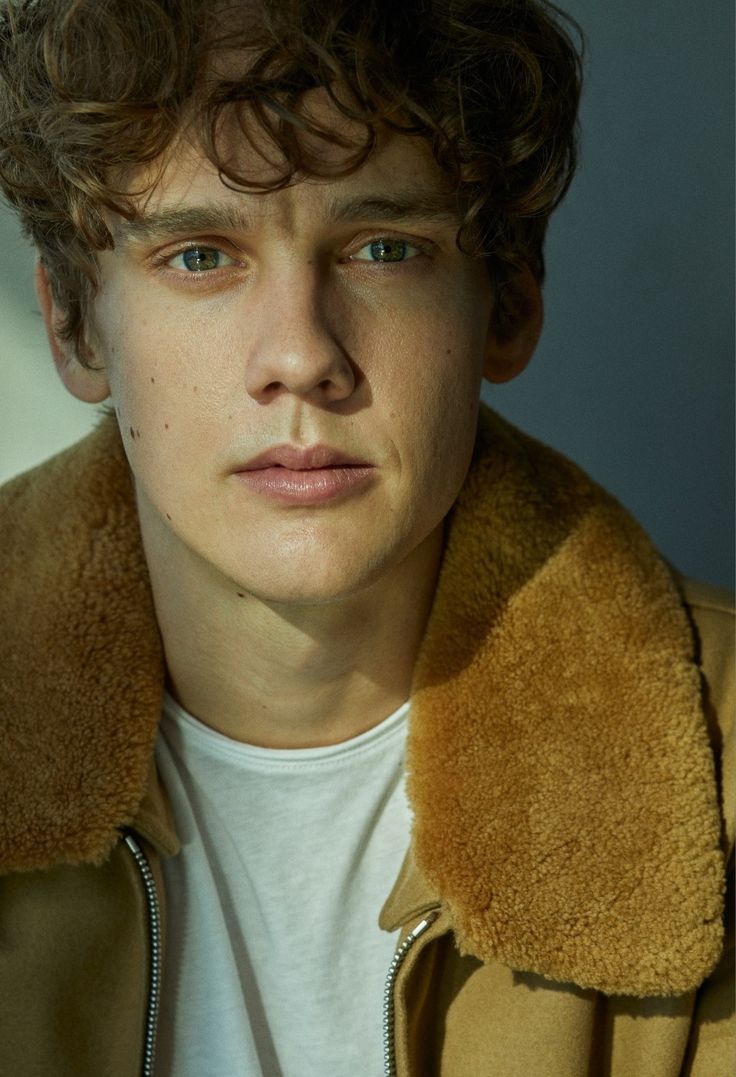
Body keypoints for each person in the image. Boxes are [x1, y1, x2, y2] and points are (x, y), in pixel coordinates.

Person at [0, 0, 732, 1074]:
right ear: (73, 325)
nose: (300, 355)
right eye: (202, 256)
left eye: (381, 248)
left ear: (508, 304)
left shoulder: (724, 763)